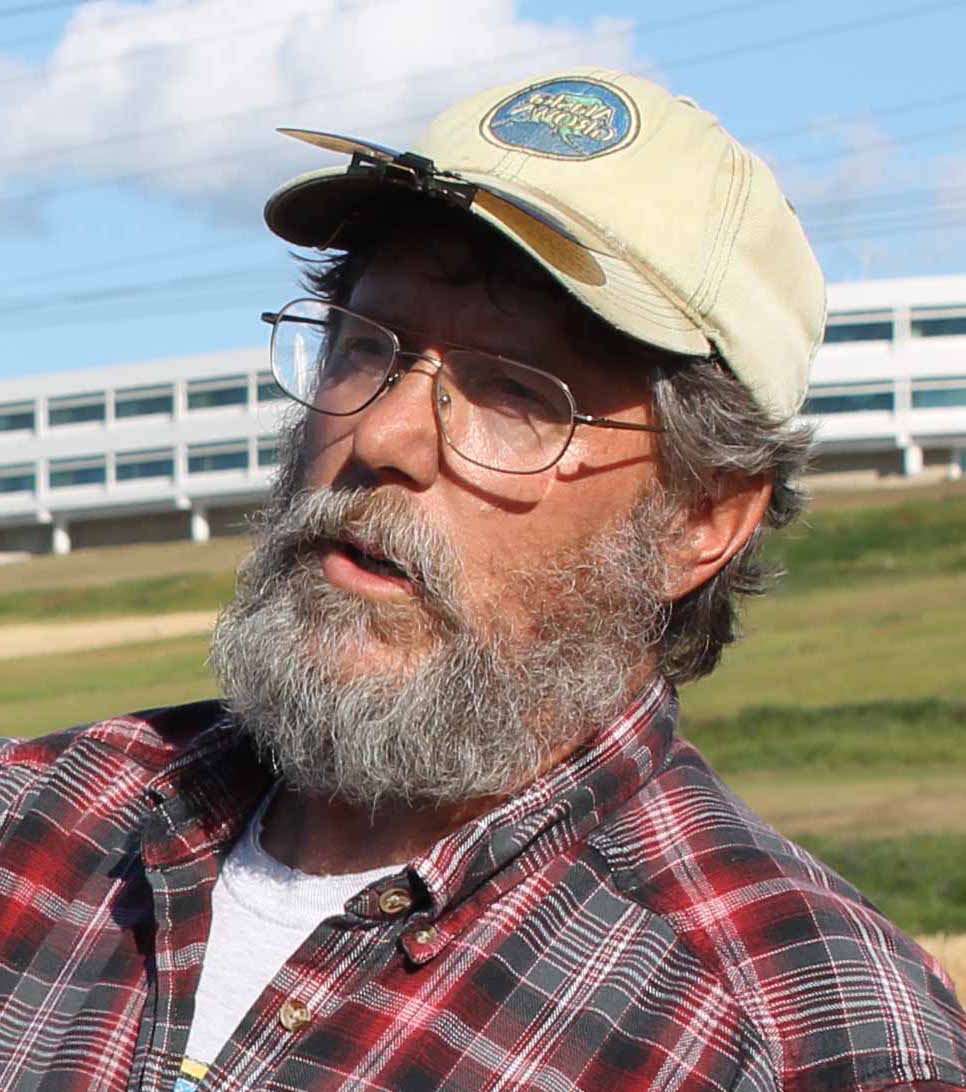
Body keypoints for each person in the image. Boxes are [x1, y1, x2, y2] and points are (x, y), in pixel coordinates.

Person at [0, 68, 963, 1092]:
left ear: (703, 517)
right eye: (366, 347)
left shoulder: (805, 1043)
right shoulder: (35, 825)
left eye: (515, 392)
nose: (380, 433)